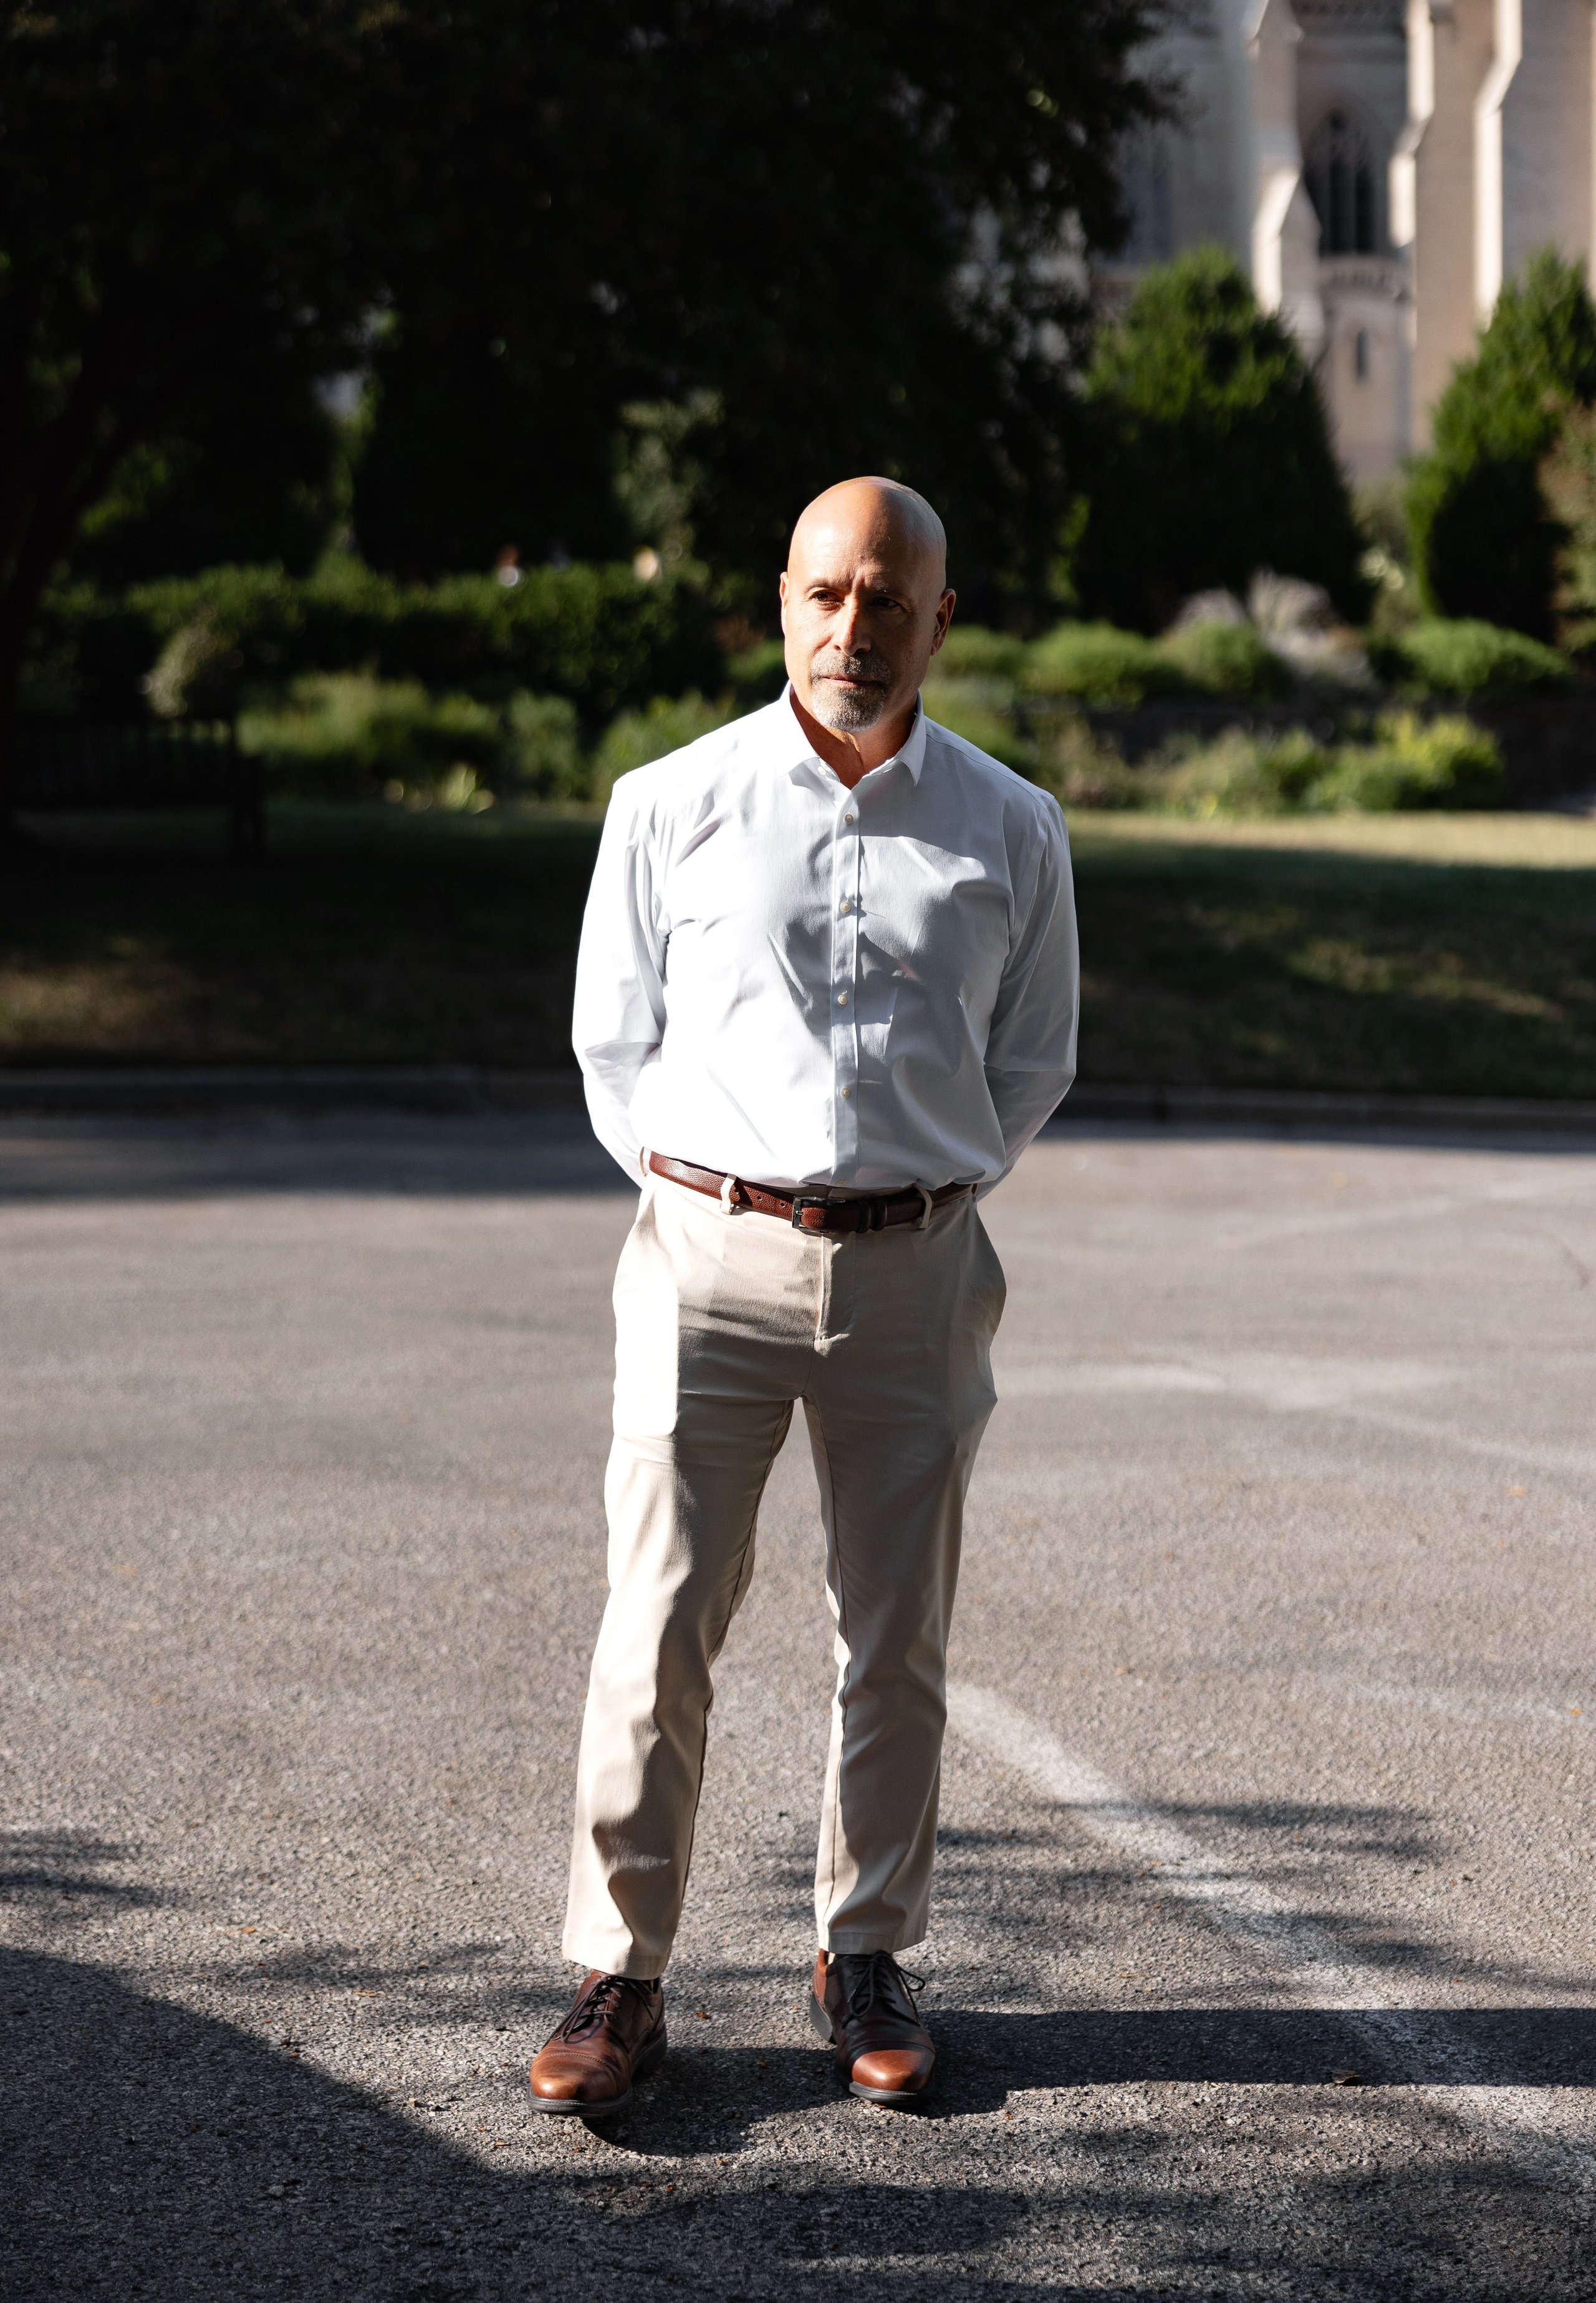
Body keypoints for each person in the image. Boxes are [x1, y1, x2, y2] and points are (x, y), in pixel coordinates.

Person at [529, 476, 1078, 2117]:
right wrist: (718, 1194)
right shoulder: (670, 803)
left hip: (917, 1270)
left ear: (939, 620)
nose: (854, 628)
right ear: (783, 600)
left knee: (896, 1638)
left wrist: (907, 1185)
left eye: (889, 601)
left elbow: (1031, 1061)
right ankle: (619, 1976)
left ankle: (868, 1957)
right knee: (658, 1624)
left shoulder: (1009, 827)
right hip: (704, 1266)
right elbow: (612, 1041)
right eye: (827, 594)